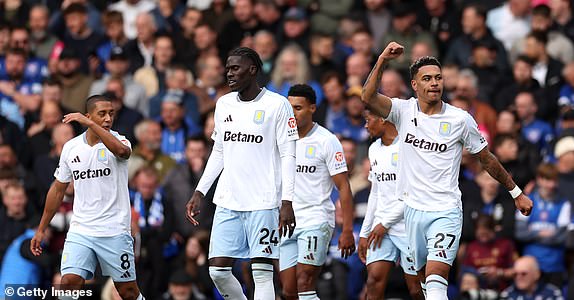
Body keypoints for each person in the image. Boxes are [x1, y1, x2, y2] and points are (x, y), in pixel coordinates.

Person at [361, 41, 533, 299]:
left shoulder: (459, 119)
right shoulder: (402, 111)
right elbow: (367, 97)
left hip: (446, 211)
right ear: (415, 85)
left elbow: (486, 159)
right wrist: (383, 59)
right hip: (412, 212)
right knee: (421, 284)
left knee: (436, 279)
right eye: (427, 78)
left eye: (438, 78)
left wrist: (516, 192)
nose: (434, 83)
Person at [185, 47, 298, 300]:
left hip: (263, 201)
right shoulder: (224, 104)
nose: (229, 73)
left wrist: (287, 201)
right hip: (228, 200)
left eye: (235, 68)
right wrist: (200, 190)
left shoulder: (277, 105)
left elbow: (289, 156)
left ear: (253, 70)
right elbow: (219, 151)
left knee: (262, 273)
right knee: (218, 271)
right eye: (227, 68)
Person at [30, 94, 146, 300]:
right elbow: (58, 189)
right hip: (81, 230)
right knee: (68, 283)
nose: (108, 118)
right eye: (102, 114)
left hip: (115, 231)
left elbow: (122, 152)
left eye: (111, 113)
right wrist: (41, 229)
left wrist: (91, 124)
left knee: (127, 292)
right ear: (88, 115)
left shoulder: (119, 140)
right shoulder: (71, 148)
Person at [280, 84, 355, 300]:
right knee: (289, 291)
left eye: (298, 108)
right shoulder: (281, 139)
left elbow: (343, 186)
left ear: (312, 108)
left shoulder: (327, 141)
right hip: (286, 221)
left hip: (316, 219)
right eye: (289, 108)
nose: (292, 114)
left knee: (305, 281)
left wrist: (347, 230)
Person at [358, 110, 423, 300]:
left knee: (416, 289)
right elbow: (375, 192)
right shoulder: (373, 149)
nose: (366, 125)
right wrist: (364, 232)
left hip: (407, 227)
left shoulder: (408, 147)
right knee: (373, 281)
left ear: (383, 119)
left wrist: (384, 224)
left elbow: (413, 194)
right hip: (381, 229)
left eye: (368, 120)